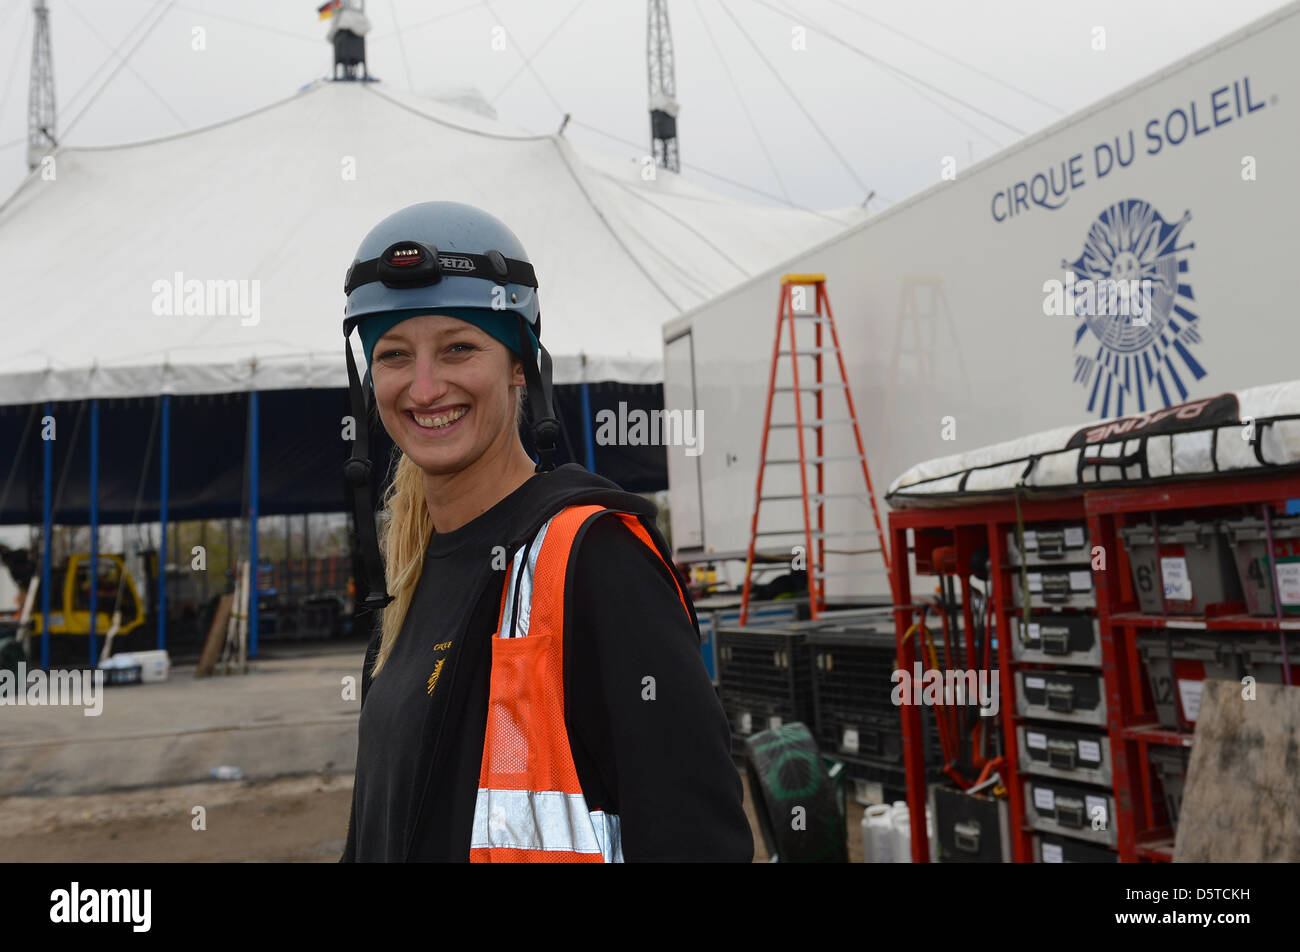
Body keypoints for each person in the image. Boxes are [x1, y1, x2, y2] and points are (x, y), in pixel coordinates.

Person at [338, 201, 752, 862]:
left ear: (519, 364)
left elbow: (695, 836)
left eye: (458, 348)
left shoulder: (594, 560)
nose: (423, 387)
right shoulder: (409, 582)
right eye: (393, 355)